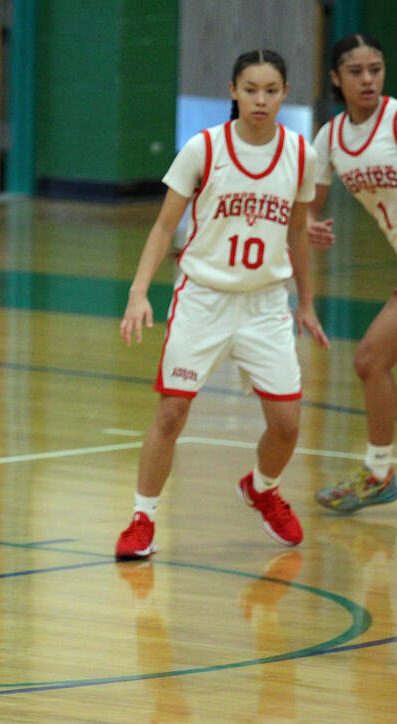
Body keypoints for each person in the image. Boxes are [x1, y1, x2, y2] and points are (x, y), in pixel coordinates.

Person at [114, 49, 330, 560]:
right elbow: (165, 225)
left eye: (271, 90)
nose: (260, 99)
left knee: (287, 424)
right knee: (171, 412)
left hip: (264, 304)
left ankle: (262, 487)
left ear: (284, 93)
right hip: (203, 299)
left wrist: (307, 303)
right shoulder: (203, 148)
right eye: (250, 89)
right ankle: (142, 520)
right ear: (233, 91)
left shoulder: (301, 155)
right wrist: (139, 292)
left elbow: (298, 231)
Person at [309, 34, 397, 513]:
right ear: (336, 78)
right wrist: (307, 227)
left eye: (376, 69)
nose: (368, 79)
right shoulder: (330, 138)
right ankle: (379, 473)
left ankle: (379, 471)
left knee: (370, 357)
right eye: (356, 71)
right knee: (370, 360)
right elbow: (305, 209)